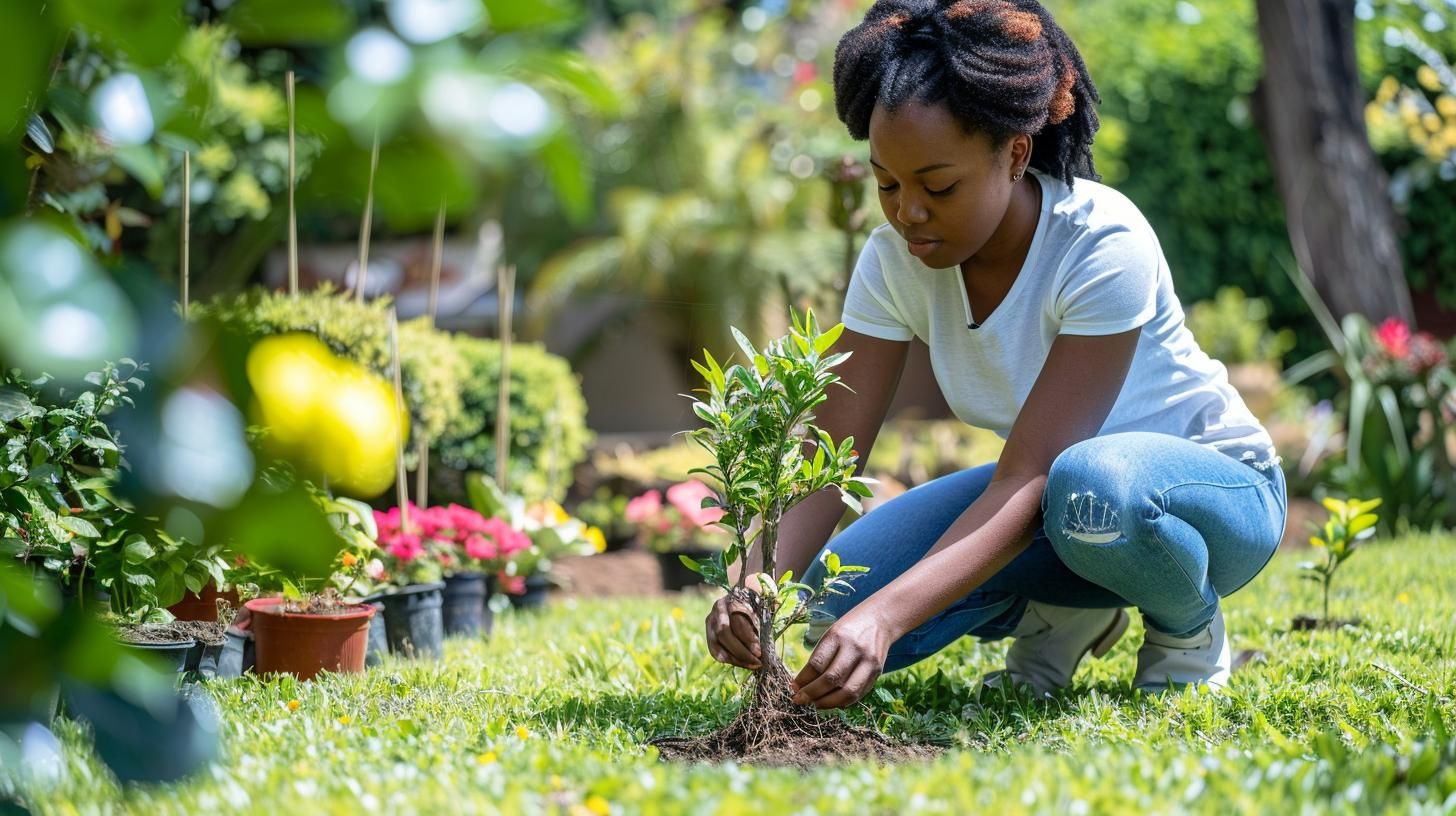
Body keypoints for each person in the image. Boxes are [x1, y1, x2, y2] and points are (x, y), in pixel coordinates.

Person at [704, 0, 1288, 709]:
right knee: (837, 597)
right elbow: (833, 452)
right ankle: (1071, 608)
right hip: (1058, 498)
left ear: (1014, 154)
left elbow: (1034, 471)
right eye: (887, 183)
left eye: (938, 186)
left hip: (1215, 498)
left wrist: (888, 619)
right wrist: (751, 583)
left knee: (1090, 486)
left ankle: (1187, 626)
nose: (907, 212)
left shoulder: (1100, 243)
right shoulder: (894, 261)